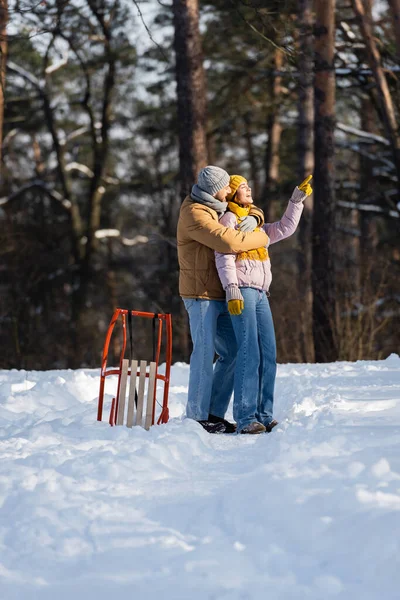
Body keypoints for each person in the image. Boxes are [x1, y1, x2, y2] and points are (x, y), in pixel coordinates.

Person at [215, 174, 313, 434]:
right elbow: (223, 254)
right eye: (243, 187)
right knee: (249, 352)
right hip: (243, 291)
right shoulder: (229, 219)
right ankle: (246, 417)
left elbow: (284, 228)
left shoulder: (255, 223)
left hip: (261, 293)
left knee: (268, 354)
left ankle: (264, 414)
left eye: (248, 186)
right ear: (234, 194)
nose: (249, 189)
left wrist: (296, 201)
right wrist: (232, 288)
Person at [177, 166, 269, 433]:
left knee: (234, 350)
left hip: (222, 293)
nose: (230, 189)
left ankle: (214, 412)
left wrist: (257, 217)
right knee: (204, 353)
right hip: (200, 294)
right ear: (214, 188)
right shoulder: (194, 213)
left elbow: (245, 206)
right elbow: (228, 241)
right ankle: (196, 416)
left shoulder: (216, 206)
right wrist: (261, 236)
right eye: (226, 185)